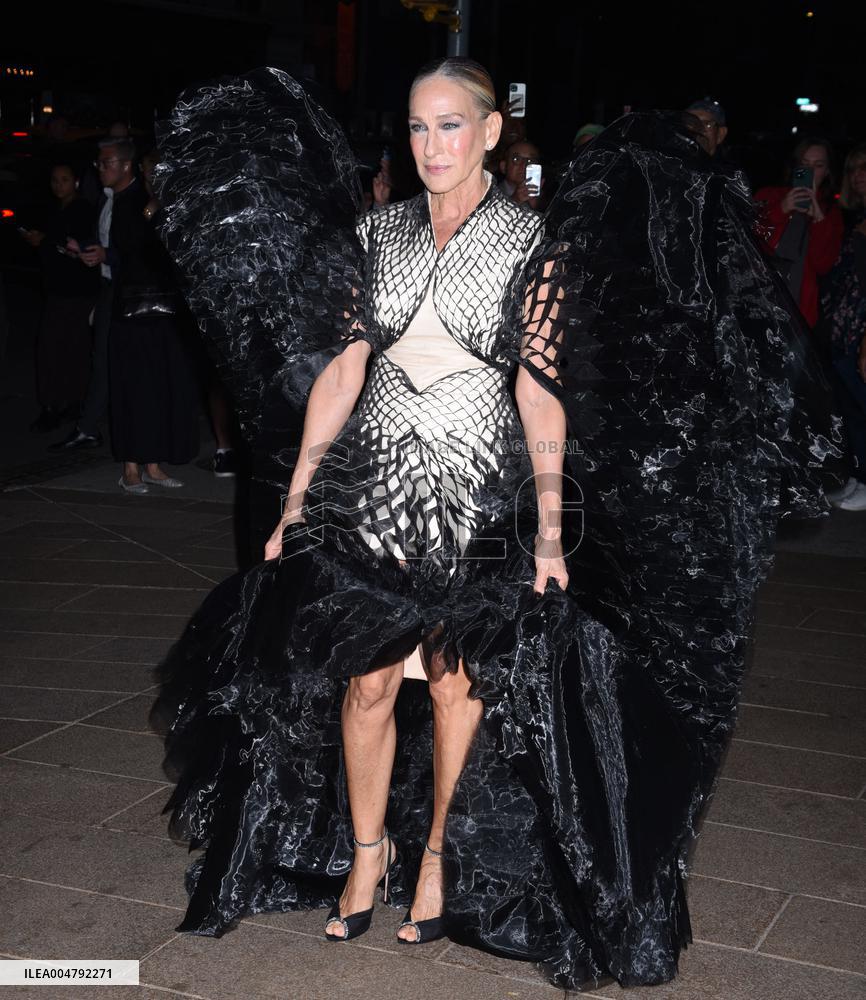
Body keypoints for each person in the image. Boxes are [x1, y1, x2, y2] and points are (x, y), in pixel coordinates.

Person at [150, 62, 833, 991]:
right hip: (371, 490)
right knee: (365, 690)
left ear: (489, 133)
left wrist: (551, 526)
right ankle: (365, 854)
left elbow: (539, 393)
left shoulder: (530, 242)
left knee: (458, 689)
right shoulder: (376, 232)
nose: (432, 146)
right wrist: (299, 497)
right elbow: (343, 372)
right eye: (418, 129)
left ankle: (434, 855)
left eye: (450, 127)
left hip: (484, 501)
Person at [81, 141, 198, 493]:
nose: (100, 168)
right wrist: (108, 255)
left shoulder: (161, 204)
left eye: (107, 162)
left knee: (158, 384)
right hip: (131, 307)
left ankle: (153, 464)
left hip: (162, 309)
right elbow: (131, 250)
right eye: (99, 163)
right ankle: (130, 467)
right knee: (131, 384)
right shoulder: (127, 202)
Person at [20, 163, 99, 432]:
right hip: (57, 289)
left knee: (68, 349)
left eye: (64, 180)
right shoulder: (54, 209)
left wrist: (46, 240)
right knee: (54, 349)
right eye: (54, 180)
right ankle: (57, 404)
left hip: (77, 292)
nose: (58, 185)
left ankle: (65, 405)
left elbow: (76, 248)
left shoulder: (84, 210)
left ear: (76, 182)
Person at [755, 137, 844, 329]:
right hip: (758, 303)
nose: (811, 171)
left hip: (798, 314)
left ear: (827, 172)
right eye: (805, 164)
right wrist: (781, 210)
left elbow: (823, 265)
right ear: (795, 166)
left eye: (818, 165)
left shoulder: (831, 213)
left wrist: (819, 220)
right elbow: (750, 244)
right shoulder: (768, 196)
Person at [823, 143, 866, 511]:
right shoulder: (852, 216)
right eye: (853, 168)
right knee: (849, 403)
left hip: (860, 326)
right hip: (843, 324)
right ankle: (858, 472)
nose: (859, 175)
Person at [498, 139, 543, 210]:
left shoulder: (545, 198)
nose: (524, 165)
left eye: (531, 161)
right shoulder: (492, 193)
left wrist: (537, 207)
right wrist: (515, 201)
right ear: (503, 167)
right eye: (517, 159)